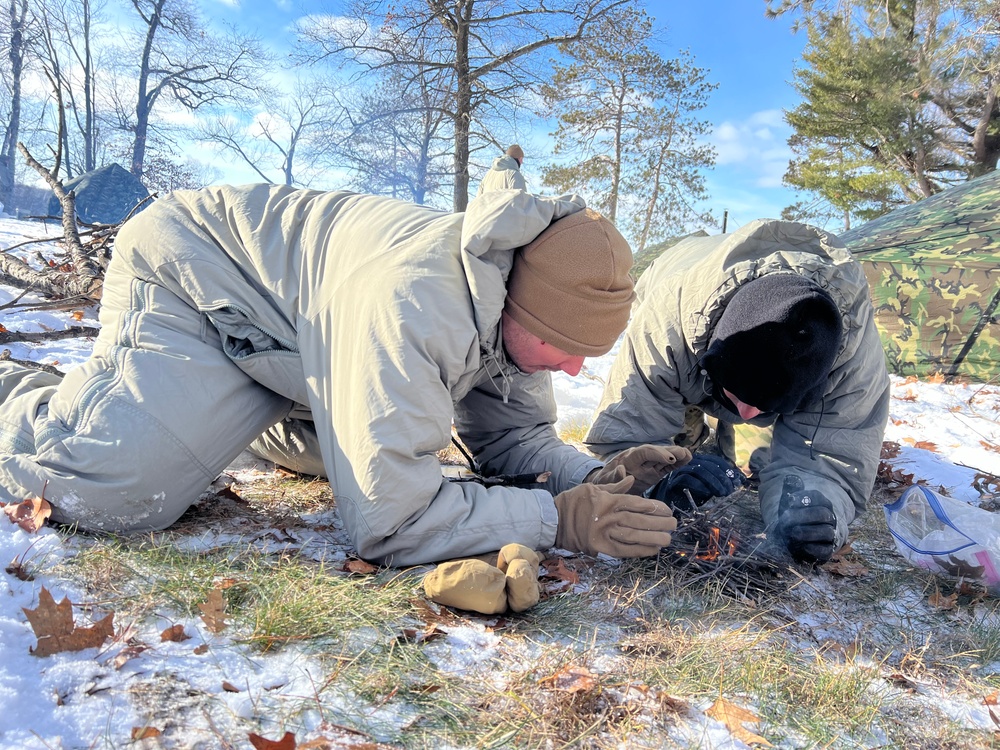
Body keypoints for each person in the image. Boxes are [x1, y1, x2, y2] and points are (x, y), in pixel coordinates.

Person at [0, 185, 683, 567]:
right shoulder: (422, 303)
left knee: (347, 457)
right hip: (202, 287)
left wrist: (588, 477)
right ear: (518, 304)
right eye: (561, 345)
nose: (571, 367)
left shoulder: (511, 302)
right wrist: (558, 520)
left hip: (307, 349)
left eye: (583, 354)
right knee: (110, 490)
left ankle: (220, 418)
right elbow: (389, 522)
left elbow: (512, 444)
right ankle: (19, 392)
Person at [585, 219, 891, 564]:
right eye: (738, 396)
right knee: (682, 451)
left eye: (763, 406)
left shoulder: (854, 364)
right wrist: (657, 482)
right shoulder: (664, 326)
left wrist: (818, 513)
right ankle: (700, 424)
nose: (747, 416)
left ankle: (749, 412)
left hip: (730, 364)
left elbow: (832, 460)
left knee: (758, 463)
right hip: (682, 318)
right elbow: (622, 436)